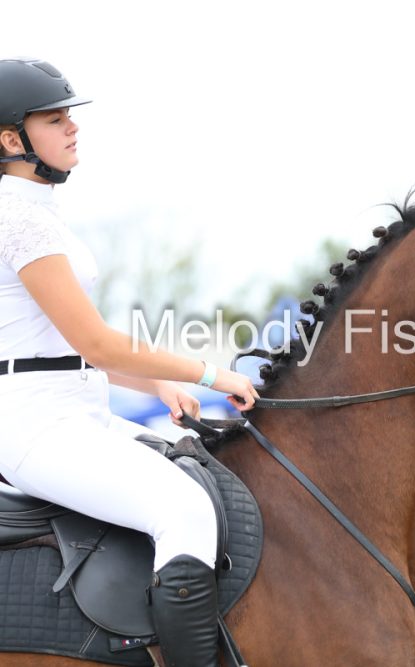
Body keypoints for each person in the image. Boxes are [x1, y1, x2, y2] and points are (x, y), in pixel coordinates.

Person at [0, 58, 259, 667]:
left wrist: (158, 383)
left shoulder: (41, 214)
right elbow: (96, 343)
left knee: (203, 475)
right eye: (54, 119)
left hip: (77, 413)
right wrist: (210, 373)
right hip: (35, 427)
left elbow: (64, 350)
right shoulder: (17, 220)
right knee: (184, 511)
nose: (72, 127)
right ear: (11, 141)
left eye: (69, 117)